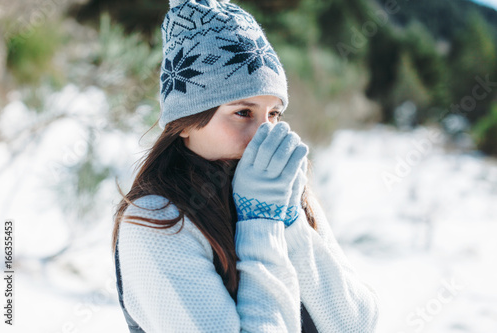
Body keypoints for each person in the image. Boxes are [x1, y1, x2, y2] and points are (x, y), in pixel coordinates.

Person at [112, 0, 379, 332]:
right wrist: (260, 221)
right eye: (243, 113)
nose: (264, 133)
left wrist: (291, 225)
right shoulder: (157, 221)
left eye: (274, 114)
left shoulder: (284, 194)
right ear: (184, 123)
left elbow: (357, 324)